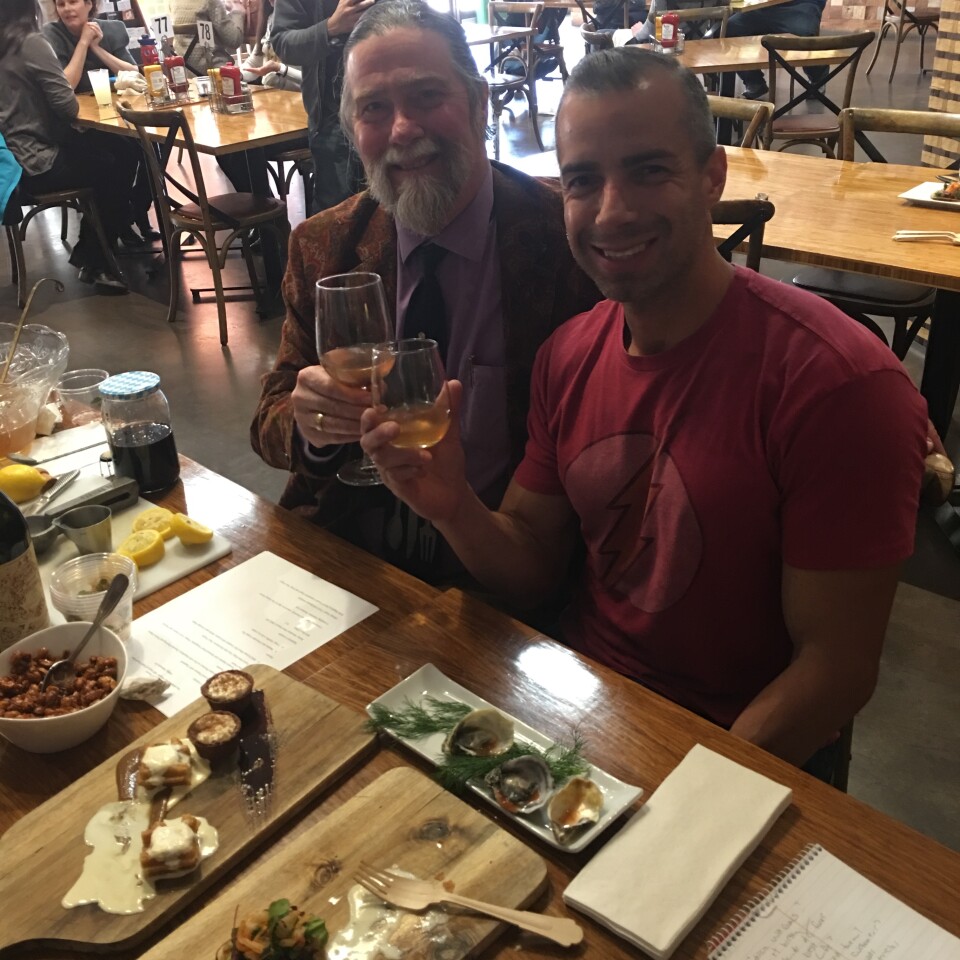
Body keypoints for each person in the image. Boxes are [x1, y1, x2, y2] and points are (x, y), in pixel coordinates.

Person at [360, 48, 928, 780]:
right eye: (583, 181)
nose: (612, 211)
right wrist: (453, 507)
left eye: (649, 170)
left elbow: (835, 671)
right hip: (578, 730)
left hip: (737, 766)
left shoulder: (840, 385)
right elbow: (532, 565)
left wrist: (677, 804)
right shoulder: (569, 353)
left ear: (713, 176)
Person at [251, 0, 599, 586]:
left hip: (500, 568)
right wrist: (311, 429)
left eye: (427, 97)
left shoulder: (566, 243)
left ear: (480, 104)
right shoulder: (324, 246)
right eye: (375, 109)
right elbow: (270, 418)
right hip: (350, 557)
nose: (403, 130)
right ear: (352, 132)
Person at [0, 0, 128, 291]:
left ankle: (95, 252)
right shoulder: (31, 42)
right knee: (114, 165)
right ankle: (96, 261)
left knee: (118, 150)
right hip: (37, 160)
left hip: (10, 158)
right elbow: (67, 108)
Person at [42, 0, 157, 246]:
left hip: (115, 116)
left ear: (89, 4)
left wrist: (97, 48)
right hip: (77, 126)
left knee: (152, 148)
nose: (67, 9)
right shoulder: (52, 35)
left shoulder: (112, 29)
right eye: (60, 4)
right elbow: (65, 87)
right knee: (122, 153)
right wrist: (83, 43)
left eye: (73, 2)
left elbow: (135, 74)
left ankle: (137, 210)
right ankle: (119, 223)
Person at [269, 0, 371, 212]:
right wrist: (331, 27)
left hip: (394, 108)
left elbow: (417, 20)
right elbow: (283, 43)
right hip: (331, 119)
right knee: (335, 215)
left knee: (401, 210)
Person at [724, 0, 827, 100]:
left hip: (800, 4)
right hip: (761, 6)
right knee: (730, 28)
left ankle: (818, 78)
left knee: (805, 34)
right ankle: (753, 80)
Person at [172, 0, 246, 74]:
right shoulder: (210, 2)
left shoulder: (174, 3)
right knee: (252, 76)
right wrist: (237, 12)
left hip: (184, 72)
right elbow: (234, 40)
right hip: (214, 72)